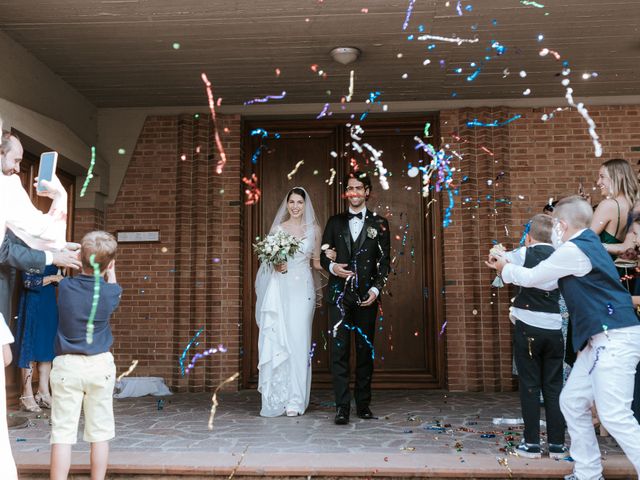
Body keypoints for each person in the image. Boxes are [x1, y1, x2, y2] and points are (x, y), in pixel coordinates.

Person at [487, 195, 640, 480]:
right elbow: (545, 273)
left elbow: (535, 278)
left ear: (562, 224)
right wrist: (509, 261)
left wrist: (503, 269)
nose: (554, 230)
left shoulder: (574, 251)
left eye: (556, 224)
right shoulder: (586, 245)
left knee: (615, 416)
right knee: (571, 401)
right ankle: (588, 473)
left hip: (615, 337)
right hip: (599, 340)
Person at [50, 231, 122, 480]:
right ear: (110, 264)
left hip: (66, 366)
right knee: (100, 433)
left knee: (61, 433)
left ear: (79, 257)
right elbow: (111, 286)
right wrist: (110, 271)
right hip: (99, 365)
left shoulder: (66, 287)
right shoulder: (111, 293)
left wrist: (69, 255)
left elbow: (61, 267)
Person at [320, 173, 390, 425]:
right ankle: (341, 408)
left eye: (358, 188)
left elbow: (384, 264)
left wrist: (376, 290)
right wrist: (332, 268)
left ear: (367, 191)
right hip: (339, 295)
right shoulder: (335, 222)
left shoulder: (380, 224)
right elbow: (323, 256)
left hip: (365, 297)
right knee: (338, 353)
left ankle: (363, 405)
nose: (354, 193)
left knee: (364, 351)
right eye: (350, 189)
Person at [495, 214, 566, 459]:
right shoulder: (561, 256)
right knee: (555, 386)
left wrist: (498, 252)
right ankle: (557, 445)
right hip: (555, 328)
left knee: (530, 385)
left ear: (530, 236)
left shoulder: (525, 253)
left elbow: (499, 260)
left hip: (528, 327)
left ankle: (532, 444)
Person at [255, 187, 324, 417]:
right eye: (292, 202)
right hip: (281, 288)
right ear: (287, 204)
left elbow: (316, 263)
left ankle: (296, 399)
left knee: (299, 341)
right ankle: (278, 395)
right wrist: (275, 264)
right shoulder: (278, 229)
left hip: (302, 289)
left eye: (299, 203)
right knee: (280, 340)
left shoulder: (314, 230)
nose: (295, 206)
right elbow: (269, 262)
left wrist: (333, 260)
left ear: (306, 205)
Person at [14, 265, 63, 412]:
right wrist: (54, 277)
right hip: (32, 302)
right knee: (30, 346)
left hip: (48, 301)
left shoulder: (54, 252)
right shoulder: (31, 252)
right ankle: (26, 395)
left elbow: (59, 279)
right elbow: (29, 282)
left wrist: (61, 270)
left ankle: (43, 392)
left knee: (47, 347)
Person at [593, 159, 639, 256]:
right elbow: (627, 247)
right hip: (620, 267)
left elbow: (584, 240)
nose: (598, 182)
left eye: (602, 177)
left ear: (618, 177)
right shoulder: (635, 205)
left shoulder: (608, 205)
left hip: (604, 267)